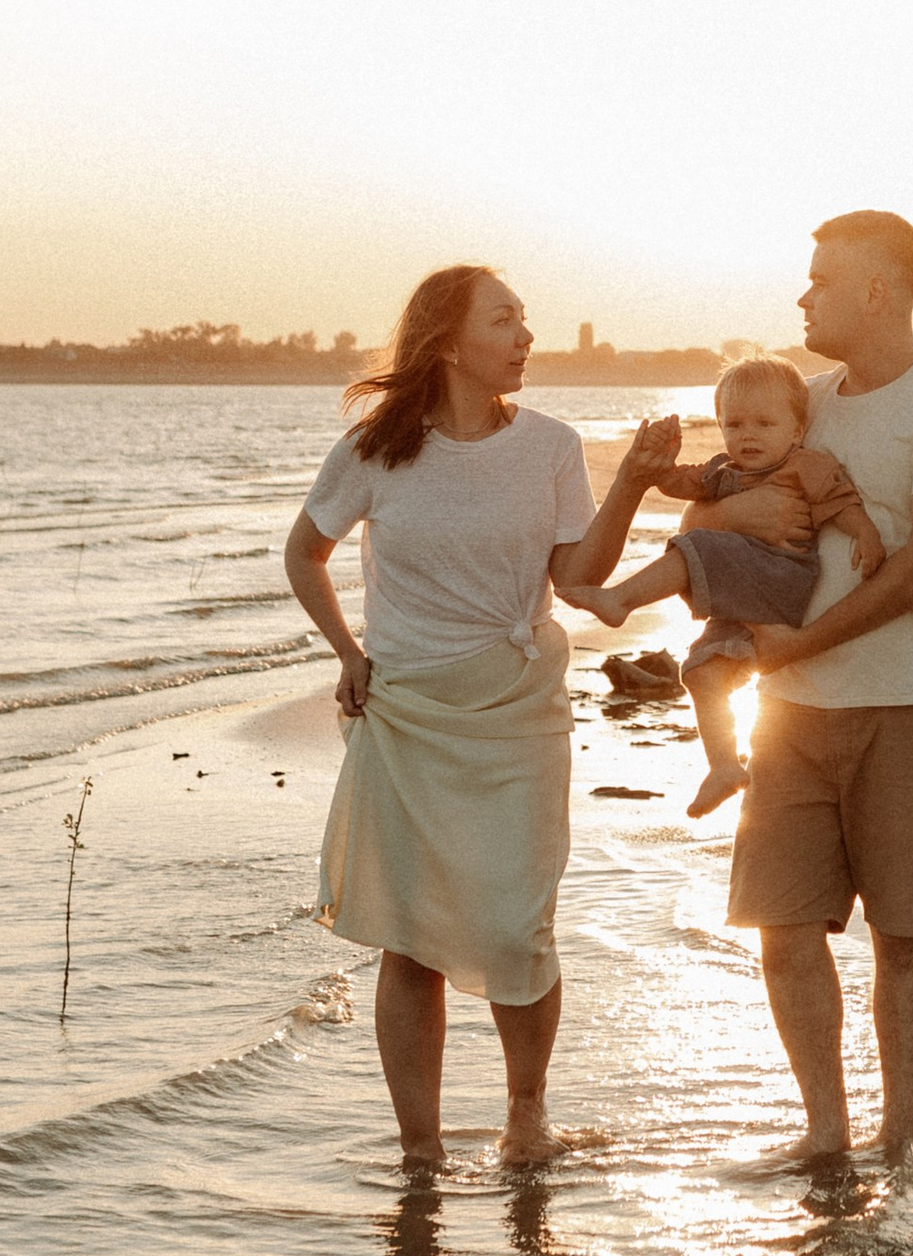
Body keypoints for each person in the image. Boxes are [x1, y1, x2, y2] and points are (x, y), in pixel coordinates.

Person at [282, 265, 675, 1164]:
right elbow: (305, 554)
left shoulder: (551, 446)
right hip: (409, 714)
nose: (526, 336)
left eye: (525, 320)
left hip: (516, 710)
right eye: (506, 321)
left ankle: (525, 1113)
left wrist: (635, 486)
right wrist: (348, 653)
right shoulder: (376, 449)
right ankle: (419, 1149)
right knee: (408, 934)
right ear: (451, 342)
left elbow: (577, 582)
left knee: (515, 926)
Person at [729, 210, 913, 1166]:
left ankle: (898, 1141)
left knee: (903, 934)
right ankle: (824, 1130)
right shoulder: (800, 405)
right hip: (790, 715)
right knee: (783, 926)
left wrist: (798, 640)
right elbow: (740, 510)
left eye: (820, 280)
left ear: (878, 290)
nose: (802, 296)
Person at [557, 357, 884, 819]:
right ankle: (724, 765)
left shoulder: (804, 464)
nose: (747, 435)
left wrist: (865, 532)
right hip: (740, 594)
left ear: (797, 429)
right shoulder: (722, 471)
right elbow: (678, 482)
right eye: (734, 424)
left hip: (779, 577)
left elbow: (839, 500)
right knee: (701, 670)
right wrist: (658, 462)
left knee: (701, 545)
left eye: (764, 423)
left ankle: (620, 600)